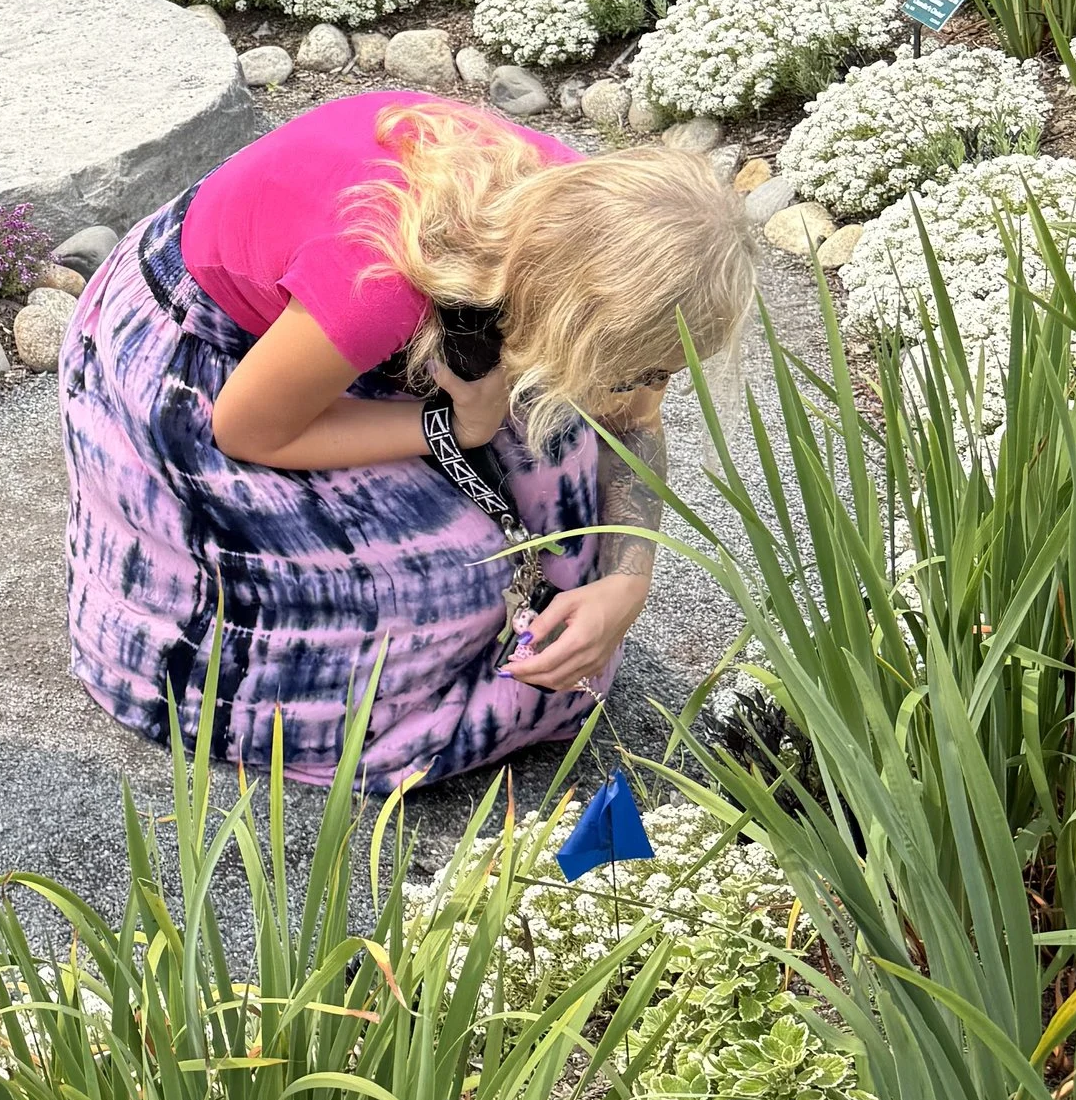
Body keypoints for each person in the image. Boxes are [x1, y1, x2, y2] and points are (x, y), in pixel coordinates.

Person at [59, 94, 756, 791]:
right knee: (448, 583)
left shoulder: (595, 232)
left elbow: (630, 420)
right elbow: (246, 429)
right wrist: (448, 427)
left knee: (566, 511)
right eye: (641, 368)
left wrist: (627, 583)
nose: (652, 386)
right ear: (578, 323)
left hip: (363, 325)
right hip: (211, 359)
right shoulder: (377, 281)